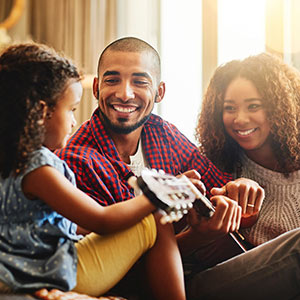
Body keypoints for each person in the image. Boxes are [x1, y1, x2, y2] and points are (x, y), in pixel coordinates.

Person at [54, 37, 265, 297]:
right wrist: (197, 237)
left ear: (159, 92)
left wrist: (239, 192)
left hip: (208, 267)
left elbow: (216, 186)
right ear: (96, 88)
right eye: (112, 80)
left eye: (140, 82)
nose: (125, 93)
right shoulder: (76, 161)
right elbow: (119, 270)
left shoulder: (162, 132)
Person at [0, 42, 188, 300]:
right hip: (51, 272)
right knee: (155, 217)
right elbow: (101, 220)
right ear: (42, 112)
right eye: (71, 110)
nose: (76, 120)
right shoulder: (39, 168)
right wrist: (158, 195)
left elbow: (54, 225)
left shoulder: (10, 162)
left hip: (24, 268)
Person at [185, 52, 300, 299]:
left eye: (253, 106)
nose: (240, 119)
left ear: (280, 107)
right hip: (223, 281)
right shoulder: (214, 168)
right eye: (229, 109)